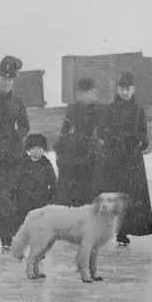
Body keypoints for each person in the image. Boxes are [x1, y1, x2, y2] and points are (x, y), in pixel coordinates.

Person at [97, 71, 152, 245]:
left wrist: (140, 143)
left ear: (133, 90)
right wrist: (111, 139)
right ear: (117, 89)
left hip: (132, 159)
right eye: (122, 88)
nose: (125, 92)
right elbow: (101, 130)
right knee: (113, 195)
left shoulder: (138, 110)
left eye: (128, 89)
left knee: (130, 196)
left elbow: (144, 133)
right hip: (113, 159)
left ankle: (124, 231)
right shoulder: (109, 109)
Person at [0, 56, 30, 252]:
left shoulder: (18, 102)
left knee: (11, 196)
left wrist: (16, 136)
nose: (6, 83)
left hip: (13, 156)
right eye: (3, 79)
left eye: (10, 80)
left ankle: (7, 237)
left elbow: (25, 126)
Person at [54, 77, 104, 207]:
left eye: (90, 92)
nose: (87, 96)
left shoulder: (100, 111)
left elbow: (100, 136)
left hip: (91, 161)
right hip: (73, 160)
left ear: (94, 92)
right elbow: (65, 133)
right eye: (83, 93)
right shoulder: (72, 109)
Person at [13, 133, 57, 229]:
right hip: (27, 197)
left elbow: (53, 182)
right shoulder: (24, 163)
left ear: (43, 149)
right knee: (25, 220)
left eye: (40, 148)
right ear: (29, 149)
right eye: (34, 148)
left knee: (40, 221)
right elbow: (18, 179)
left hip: (42, 197)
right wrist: (20, 194)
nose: (37, 150)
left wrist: (51, 197)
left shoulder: (46, 164)